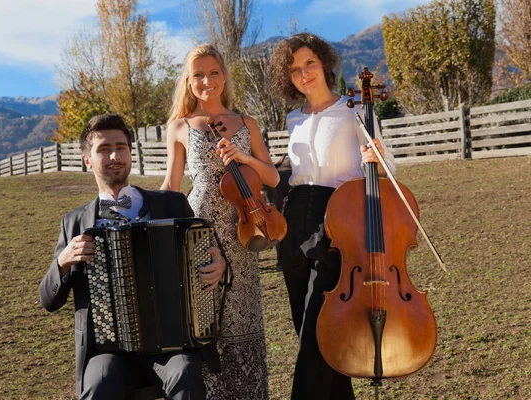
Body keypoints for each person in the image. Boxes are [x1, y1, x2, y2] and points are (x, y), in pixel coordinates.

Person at [39, 113, 227, 400]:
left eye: (121, 147)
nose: (115, 155)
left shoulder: (172, 204)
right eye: (104, 149)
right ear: (87, 159)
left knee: (185, 374)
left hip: (172, 343)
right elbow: (48, 300)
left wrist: (217, 264)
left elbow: (208, 253)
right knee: (99, 385)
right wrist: (62, 262)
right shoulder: (73, 222)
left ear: (130, 152)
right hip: (108, 351)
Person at [269, 33, 396, 399]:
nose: (303, 73)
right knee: (315, 340)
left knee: (316, 337)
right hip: (292, 226)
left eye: (309, 63)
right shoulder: (293, 118)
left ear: (324, 63)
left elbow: (385, 166)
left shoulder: (354, 110)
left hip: (337, 224)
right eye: (294, 69)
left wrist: (377, 161)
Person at [160, 44, 279, 399]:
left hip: (244, 229)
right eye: (197, 74)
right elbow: (171, 186)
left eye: (213, 72)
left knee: (243, 324)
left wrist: (242, 156)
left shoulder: (247, 123)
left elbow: (271, 177)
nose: (206, 80)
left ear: (224, 77)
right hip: (201, 234)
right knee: (205, 321)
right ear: (188, 81)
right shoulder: (179, 126)